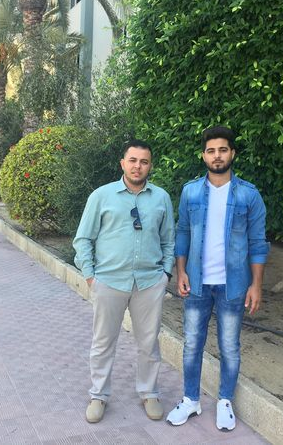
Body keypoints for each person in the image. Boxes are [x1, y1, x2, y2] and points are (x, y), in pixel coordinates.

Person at [166, 126, 269, 431]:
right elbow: (183, 232)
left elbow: (258, 243)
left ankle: (225, 401)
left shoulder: (249, 194)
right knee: (191, 344)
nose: (217, 156)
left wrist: (256, 285)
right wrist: (181, 271)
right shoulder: (191, 192)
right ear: (203, 156)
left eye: (223, 150)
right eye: (211, 151)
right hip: (197, 283)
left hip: (233, 286)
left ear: (232, 153)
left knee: (230, 347)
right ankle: (191, 400)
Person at [73, 139, 175, 424]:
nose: (137, 166)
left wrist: (165, 274)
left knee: (149, 343)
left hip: (149, 283)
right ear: (123, 163)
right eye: (133, 160)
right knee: (103, 342)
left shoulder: (161, 198)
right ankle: (98, 395)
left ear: (150, 166)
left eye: (144, 161)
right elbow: (83, 239)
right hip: (109, 282)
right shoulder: (101, 196)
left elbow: (168, 240)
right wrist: (91, 276)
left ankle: (149, 392)